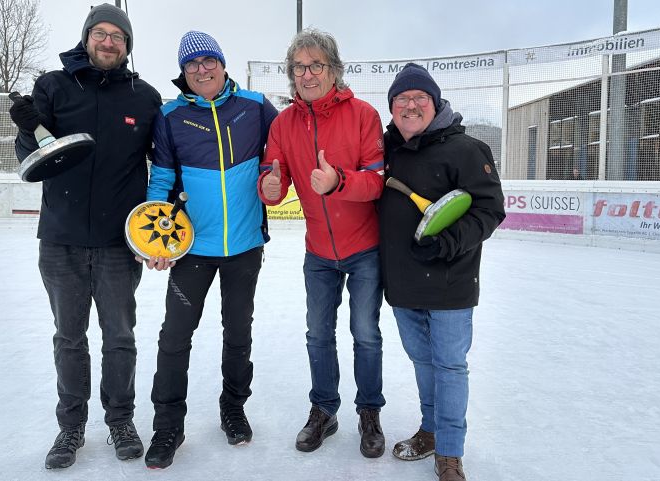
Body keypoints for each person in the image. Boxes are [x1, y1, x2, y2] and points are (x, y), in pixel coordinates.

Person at [8, 4, 161, 470]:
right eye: (101, 33)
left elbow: (166, 164)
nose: (109, 42)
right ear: (86, 38)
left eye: (118, 35)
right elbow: (31, 159)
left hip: (120, 242)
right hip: (61, 239)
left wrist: (164, 229)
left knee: (119, 336)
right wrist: (28, 128)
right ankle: (71, 425)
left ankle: (120, 420)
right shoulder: (53, 86)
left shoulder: (145, 97)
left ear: (127, 45)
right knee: (68, 337)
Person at [141, 30, 278, 470]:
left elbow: (284, 153)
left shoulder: (255, 107)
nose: (201, 69)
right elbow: (161, 181)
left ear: (222, 63)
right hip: (191, 249)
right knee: (175, 336)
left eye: (208, 61)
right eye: (191, 65)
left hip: (244, 246)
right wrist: (156, 240)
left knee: (238, 333)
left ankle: (234, 409)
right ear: (183, 74)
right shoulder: (171, 115)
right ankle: (168, 425)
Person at [258, 28, 386, 458]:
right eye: (299, 66)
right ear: (291, 73)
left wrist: (337, 182)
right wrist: (271, 186)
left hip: (365, 248)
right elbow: (272, 179)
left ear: (334, 69)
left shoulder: (364, 115)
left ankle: (369, 412)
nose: (307, 74)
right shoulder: (283, 122)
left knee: (366, 334)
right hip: (318, 253)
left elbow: (376, 182)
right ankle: (323, 410)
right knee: (318, 334)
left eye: (316, 65)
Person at [378, 63, 506, 481]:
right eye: (402, 99)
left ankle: (449, 452)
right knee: (421, 361)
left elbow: (490, 210)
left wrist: (449, 242)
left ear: (434, 103)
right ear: (392, 107)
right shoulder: (385, 149)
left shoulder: (467, 149)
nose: (411, 105)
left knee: (449, 365)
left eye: (419, 98)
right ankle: (430, 430)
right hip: (402, 282)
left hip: (451, 281)